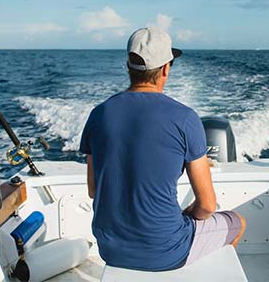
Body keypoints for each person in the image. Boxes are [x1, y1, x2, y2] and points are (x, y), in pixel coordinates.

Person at [80, 27, 246, 271]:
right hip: (165, 250)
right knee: (237, 222)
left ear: (128, 65)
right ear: (166, 68)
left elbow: (94, 190)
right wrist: (187, 216)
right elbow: (207, 206)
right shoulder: (186, 118)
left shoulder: (98, 114)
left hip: (110, 249)